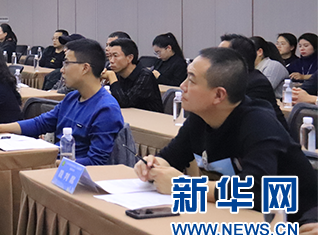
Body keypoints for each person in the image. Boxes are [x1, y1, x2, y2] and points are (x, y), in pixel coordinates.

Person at [133, 47, 318, 222]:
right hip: (237, 217)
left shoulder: (259, 123)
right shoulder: (200, 117)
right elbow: (170, 157)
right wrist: (152, 165)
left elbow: (255, 190)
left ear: (219, 95)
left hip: (295, 224)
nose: (182, 86)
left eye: (191, 80)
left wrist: (185, 187)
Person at [0, 38, 124, 166]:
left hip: (73, 174)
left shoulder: (106, 109)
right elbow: (40, 123)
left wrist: (46, 162)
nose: (62, 70)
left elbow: (96, 162)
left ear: (85, 68)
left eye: (66, 63)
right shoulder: (71, 98)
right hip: (55, 162)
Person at [219, 34, 289, 132]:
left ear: (238, 58)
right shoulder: (228, 80)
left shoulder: (256, 83)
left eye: (222, 53)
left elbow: (235, 121)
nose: (215, 58)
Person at [101, 38, 163, 113]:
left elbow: (124, 102)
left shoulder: (145, 76)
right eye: (110, 56)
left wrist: (112, 77)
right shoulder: (116, 72)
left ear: (130, 58)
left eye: (115, 56)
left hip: (149, 118)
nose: (111, 61)